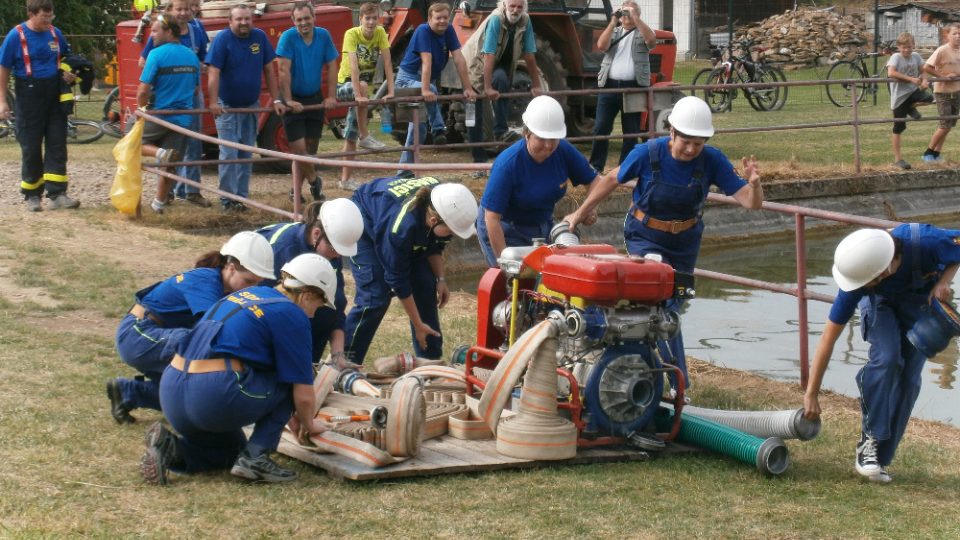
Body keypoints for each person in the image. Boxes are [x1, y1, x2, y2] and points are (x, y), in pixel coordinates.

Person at [562, 95, 763, 387]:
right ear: (671, 132)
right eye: (686, 141)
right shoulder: (646, 153)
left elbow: (751, 203)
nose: (691, 149)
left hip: (685, 243)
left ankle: (651, 367)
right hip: (644, 237)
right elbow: (611, 179)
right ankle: (677, 383)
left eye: (698, 143)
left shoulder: (713, 160)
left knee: (673, 307)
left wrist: (755, 186)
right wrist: (580, 212)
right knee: (659, 304)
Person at [142, 253, 338, 485]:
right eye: (319, 303)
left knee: (232, 451)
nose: (316, 312)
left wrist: (289, 416)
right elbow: (303, 394)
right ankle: (256, 458)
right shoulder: (293, 314)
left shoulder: (246, 295)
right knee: (289, 380)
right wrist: (309, 424)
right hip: (211, 396)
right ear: (306, 295)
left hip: (172, 393)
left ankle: (170, 449)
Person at [803, 226, 960, 483]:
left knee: (909, 378)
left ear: (885, 270)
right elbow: (828, 339)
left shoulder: (929, 242)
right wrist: (811, 393)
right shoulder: (859, 280)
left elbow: (957, 250)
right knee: (887, 359)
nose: (862, 286)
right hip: (881, 304)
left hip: (919, 301)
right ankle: (869, 441)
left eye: (868, 283)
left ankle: (882, 458)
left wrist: (944, 281)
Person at [108, 231, 275, 424]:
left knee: (190, 394)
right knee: (204, 350)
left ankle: (127, 392)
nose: (251, 289)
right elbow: (212, 330)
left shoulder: (224, 288)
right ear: (230, 268)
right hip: (137, 335)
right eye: (248, 281)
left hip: (152, 334)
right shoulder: (206, 280)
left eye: (257, 283)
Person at [344, 177, 478, 364]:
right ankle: (345, 362)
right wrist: (417, 324)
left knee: (425, 285)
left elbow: (435, 245)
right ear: (433, 220)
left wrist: (440, 279)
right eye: (451, 231)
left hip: (396, 224)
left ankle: (430, 363)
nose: (453, 235)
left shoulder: (445, 203)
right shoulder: (401, 228)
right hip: (362, 222)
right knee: (375, 297)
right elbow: (397, 279)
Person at [477, 95, 602, 267]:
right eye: (541, 138)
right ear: (526, 133)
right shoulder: (508, 164)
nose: (549, 145)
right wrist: (504, 265)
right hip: (505, 227)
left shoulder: (563, 151)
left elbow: (595, 182)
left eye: (554, 139)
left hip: (541, 224)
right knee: (514, 285)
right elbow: (491, 219)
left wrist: (590, 208)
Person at [255, 198, 363, 366]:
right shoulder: (281, 252)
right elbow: (258, 309)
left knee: (323, 309)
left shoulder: (329, 253)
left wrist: (338, 355)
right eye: (335, 249)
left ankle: (307, 366)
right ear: (317, 234)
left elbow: (336, 307)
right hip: (263, 324)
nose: (338, 256)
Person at [0, 0, 80, 212]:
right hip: (28, 94)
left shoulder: (55, 34)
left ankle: (57, 194)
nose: (48, 21)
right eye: (44, 17)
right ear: (31, 14)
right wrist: (2, 100)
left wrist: (69, 73)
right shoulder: (15, 36)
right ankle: (32, 195)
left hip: (54, 94)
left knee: (57, 143)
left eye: (50, 16)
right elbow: (4, 67)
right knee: (31, 145)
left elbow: (66, 58)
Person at [206, 2, 284, 213]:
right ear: (230, 21)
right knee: (229, 153)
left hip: (251, 105)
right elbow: (213, 71)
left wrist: (276, 99)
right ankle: (226, 200)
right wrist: (213, 102)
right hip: (226, 106)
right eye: (239, 19)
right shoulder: (223, 39)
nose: (243, 23)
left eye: (247, 19)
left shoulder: (259, 37)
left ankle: (240, 198)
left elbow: (269, 69)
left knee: (246, 152)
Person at [138, 0, 212, 207]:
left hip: (164, 109)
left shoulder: (160, 51)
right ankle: (161, 202)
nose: (151, 35)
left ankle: (184, 186)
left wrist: (142, 108)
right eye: (179, 9)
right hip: (184, 110)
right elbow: (196, 87)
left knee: (135, 143)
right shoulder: (187, 54)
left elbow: (143, 88)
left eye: (187, 8)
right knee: (174, 159)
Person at [460, 0, 542, 167]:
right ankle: (478, 159)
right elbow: (488, 54)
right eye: (512, 6)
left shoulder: (525, 20)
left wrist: (536, 84)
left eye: (519, 7)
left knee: (502, 80)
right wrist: (487, 87)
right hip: (473, 66)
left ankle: (500, 131)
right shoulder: (496, 19)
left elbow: (529, 53)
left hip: (499, 67)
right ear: (504, 5)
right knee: (473, 111)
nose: (515, 10)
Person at [395, 2, 477, 170]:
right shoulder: (423, 31)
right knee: (419, 121)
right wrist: (426, 89)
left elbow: (459, 59)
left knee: (419, 129)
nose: (442, 21)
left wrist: (467, 87)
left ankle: (404, 170)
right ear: (429, 19)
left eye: (445, 18)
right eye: (438, 18)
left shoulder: (448, 30)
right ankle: (439, 129)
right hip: (407, 79)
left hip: (425, 80)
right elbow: (427, 60)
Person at [277, 1, 339, 204]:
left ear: (314, 18)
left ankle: (295, 191)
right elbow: (283, 70)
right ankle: (314, 181)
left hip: (314, 97)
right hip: (293, 98)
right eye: (299, 19)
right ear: (293, 20)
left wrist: (331, 96)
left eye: (307, 18)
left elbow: (332, 66)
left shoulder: (323, 35)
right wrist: (288, 100)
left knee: (310, 149)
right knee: (299, 149)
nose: (304, 22)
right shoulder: (288, 38)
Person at [588, 1, 657, 173]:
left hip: (634, 87)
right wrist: (613, 22)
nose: (626, 16)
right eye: (624, 12)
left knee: (631, 131)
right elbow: (601, 46)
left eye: (630, 13)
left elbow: (651, 41)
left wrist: (636, 18)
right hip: (609, 86)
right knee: (601, 127)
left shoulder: (643, 31)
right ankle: (596, 167)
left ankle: (625, 168)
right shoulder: (614, 31)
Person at [337, 1, 394, 189]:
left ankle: (345, 180)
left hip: (361, 90)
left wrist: (391, 92)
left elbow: (387, 63)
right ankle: (365, 135)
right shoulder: (351, 34)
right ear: (360, 19)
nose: (371, 22)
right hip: (344, 85)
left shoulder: (380, 34)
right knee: (361, 85)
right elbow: (353, 64)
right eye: (367, 18)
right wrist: (358, 93)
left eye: (374, 18)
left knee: (350, 134)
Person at [887, 32, 932, 170]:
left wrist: (924, 79)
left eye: (909, 47)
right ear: (899, 47)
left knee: (929, 98)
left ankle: (910, 107)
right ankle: (898, 159)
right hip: (899, 97)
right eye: (904, 47)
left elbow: (923, 70)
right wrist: (911, 79)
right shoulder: (896, 57)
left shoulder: (916, 56)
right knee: (899, 128)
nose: (907, 50)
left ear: (913, 46)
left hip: (912, 92)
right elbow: (891, 73)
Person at [921, 23, 960, 164]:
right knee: (944, 124)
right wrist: (942, 76)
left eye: (959, 34)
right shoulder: (942, 50)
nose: (958, 36)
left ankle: (936, 154)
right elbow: (927, 67)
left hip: (956, 92)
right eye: (954, 33)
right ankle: (928, 153)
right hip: (942, 92)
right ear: (947, 36)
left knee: (949, 125)